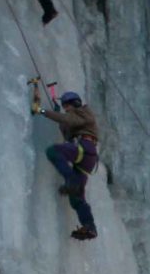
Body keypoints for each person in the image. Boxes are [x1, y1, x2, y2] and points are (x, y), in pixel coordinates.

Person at [34, 82, 101, 240]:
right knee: (76, 199)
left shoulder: (85, 112)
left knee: (53, 151)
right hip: (87, 159)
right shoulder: (75, 119)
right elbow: (67, 125)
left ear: (75, 104)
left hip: (84, 148)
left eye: (67, 106)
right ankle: (89, 226)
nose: (66, 109)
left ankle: (71, 180)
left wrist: (42, 110)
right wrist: (59, 117)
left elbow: (69, 120)